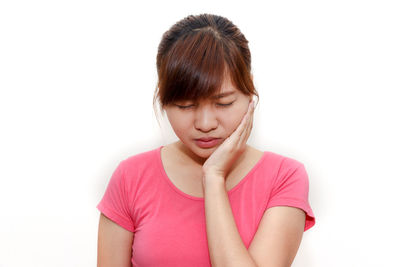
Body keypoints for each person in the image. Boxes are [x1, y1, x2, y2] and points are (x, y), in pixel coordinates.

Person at [97, 13, 315, 267]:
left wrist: (214, 177)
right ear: (164, 100)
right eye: (185, 105)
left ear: (249, 91)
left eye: (224, 103)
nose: (205, 124)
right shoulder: (130, 177)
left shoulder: (284, 177)